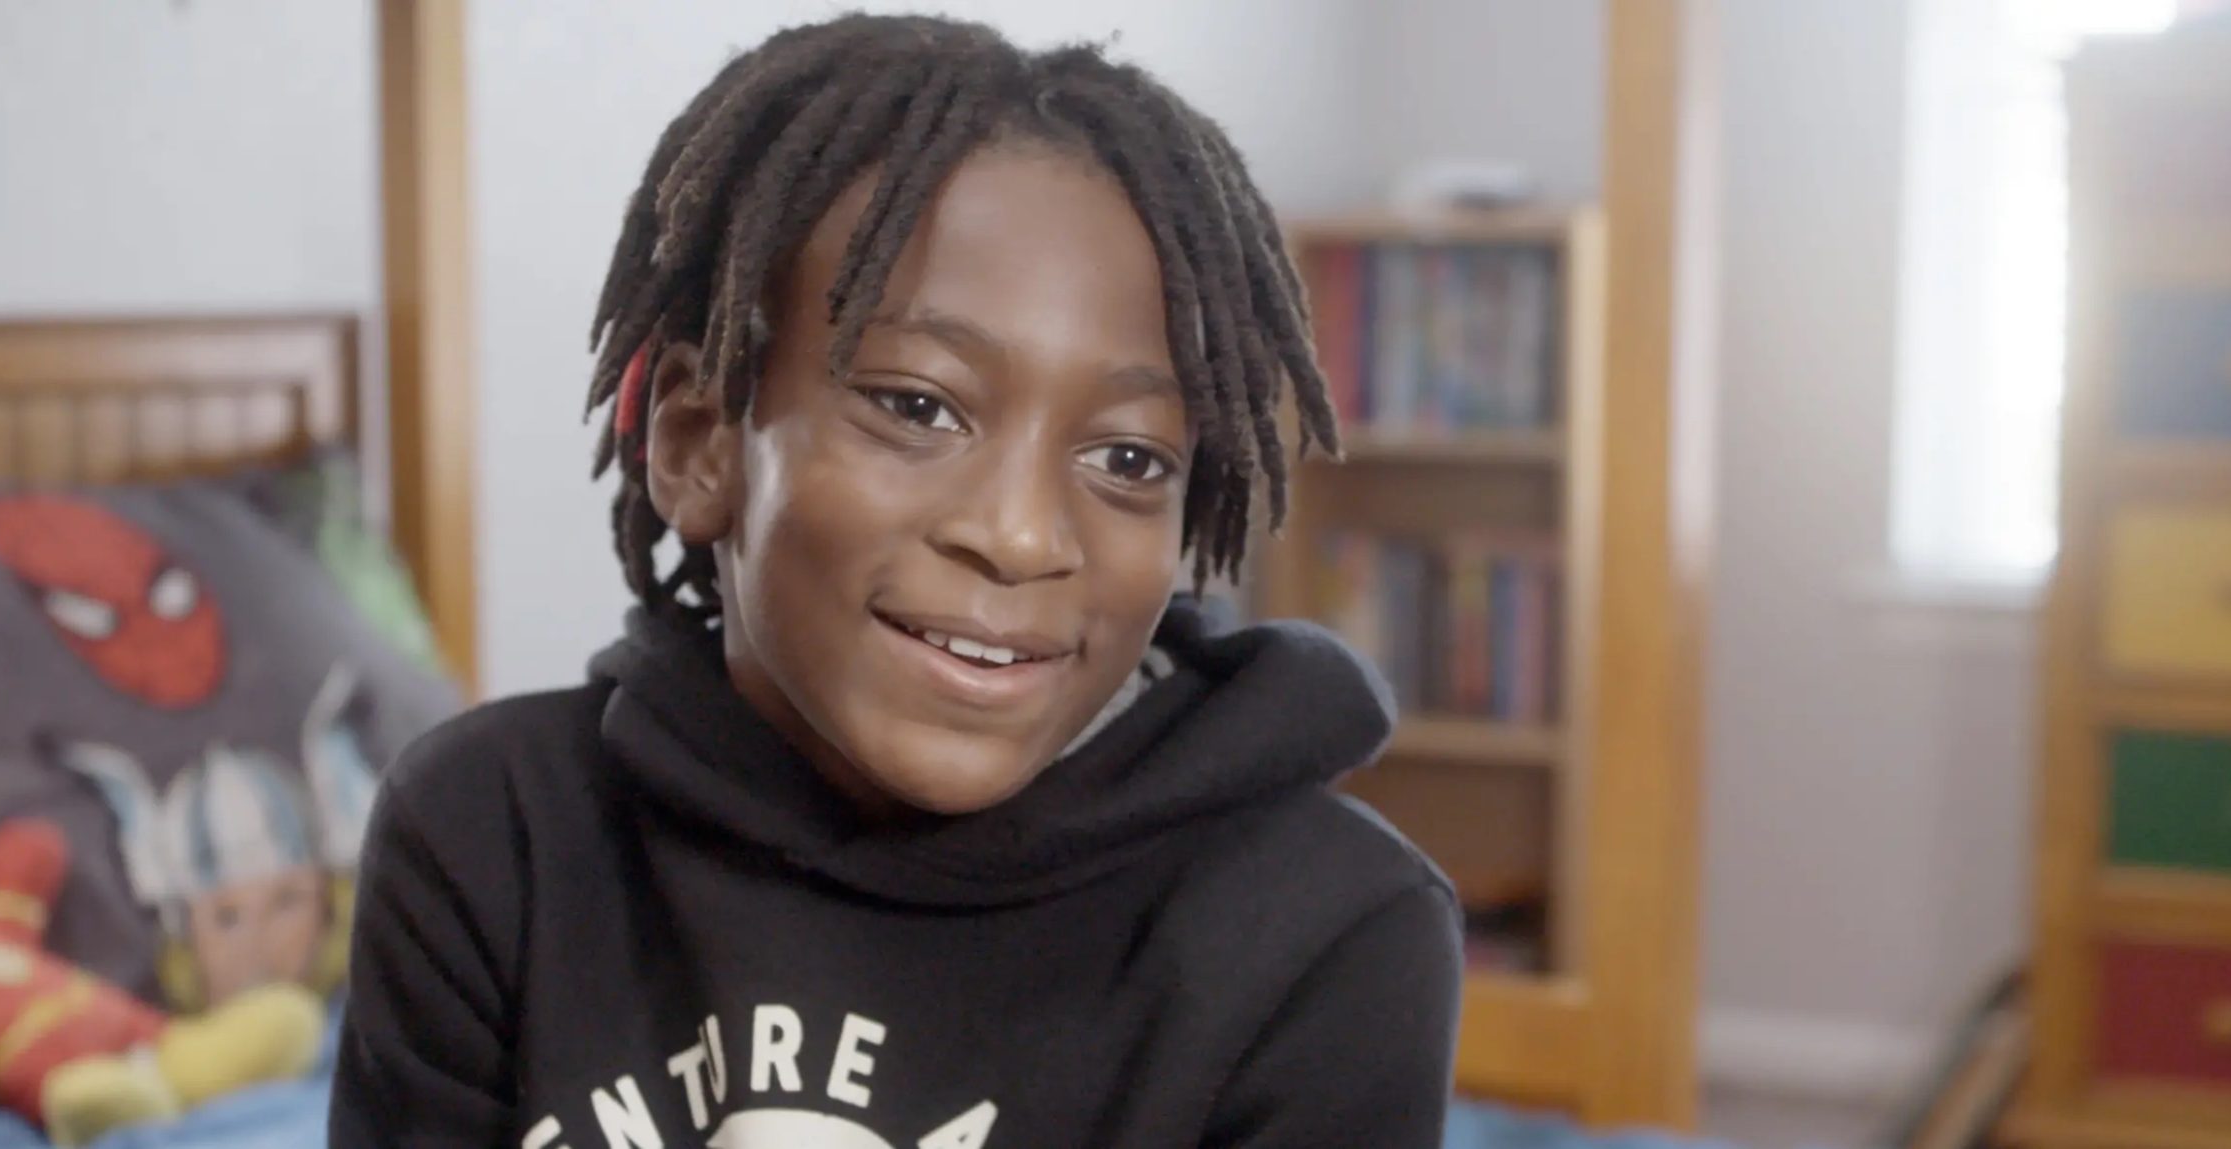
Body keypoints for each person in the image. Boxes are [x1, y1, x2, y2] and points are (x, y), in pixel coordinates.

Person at [328, 14, 1461, 1149]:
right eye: (919, 406)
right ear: (697, 445)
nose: (1018, 538)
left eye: (1128, 459)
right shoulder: (495, 842)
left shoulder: (1332, 934)